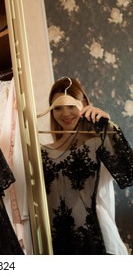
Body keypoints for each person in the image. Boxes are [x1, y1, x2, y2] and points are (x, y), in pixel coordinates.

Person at [40, 76, 133, 254]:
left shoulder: (100, 141)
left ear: (83, 104)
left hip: (98, 238)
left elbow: (128, 171)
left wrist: (109, 127)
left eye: (71, 106)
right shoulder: (42, 151)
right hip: (58, 241)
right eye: (58, 107)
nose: (65, 113)